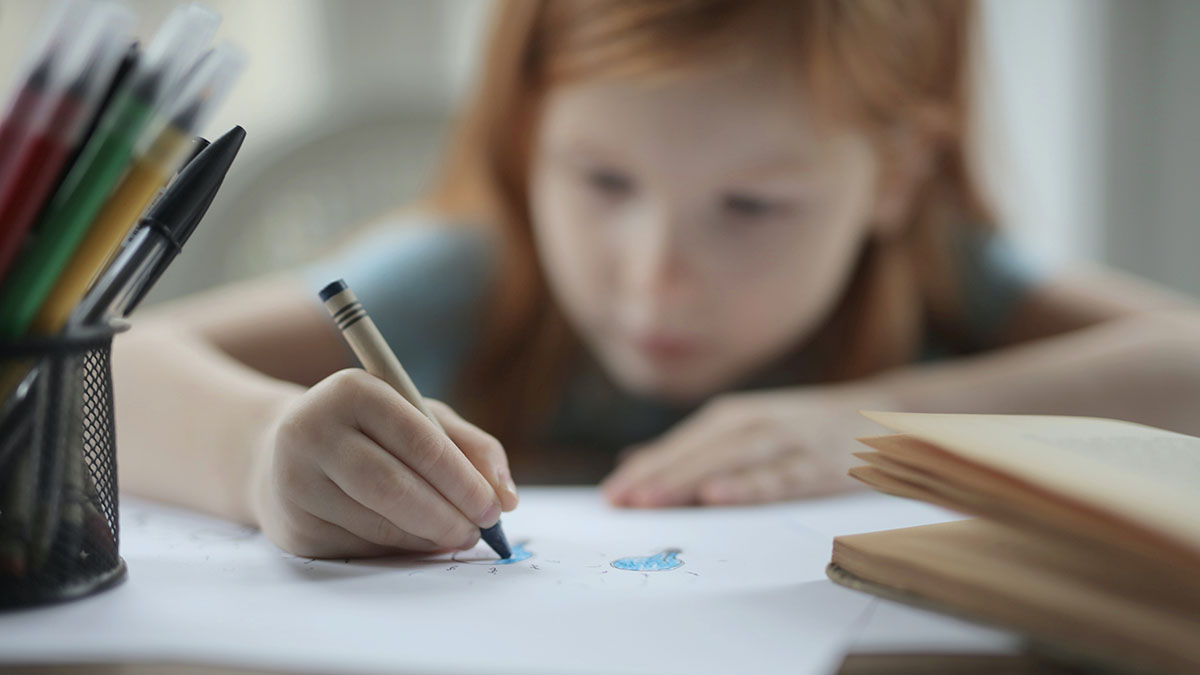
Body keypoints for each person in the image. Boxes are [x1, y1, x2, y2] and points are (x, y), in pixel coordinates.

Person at [113, 0, 1200, 559]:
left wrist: (884, 428)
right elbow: (99, 367)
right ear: (532, 136)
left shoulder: (940, 279)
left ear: (896, 176)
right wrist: (259, 458)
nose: (654, 274)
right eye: (601, 180)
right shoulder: (477, 273)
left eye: (752, 207)